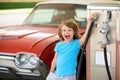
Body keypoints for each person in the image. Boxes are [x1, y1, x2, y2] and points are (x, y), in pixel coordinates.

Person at [46, 13, 98, 80]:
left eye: (69, 30)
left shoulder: (76, 44)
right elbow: (55, 60)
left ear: (74, 33)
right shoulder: (58, 45)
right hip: (56, 74)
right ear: (61, 33)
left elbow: (86, 35)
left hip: (69, 76)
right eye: (64, 30)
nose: (66, 32)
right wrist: (51, 71)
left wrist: (89, 21)